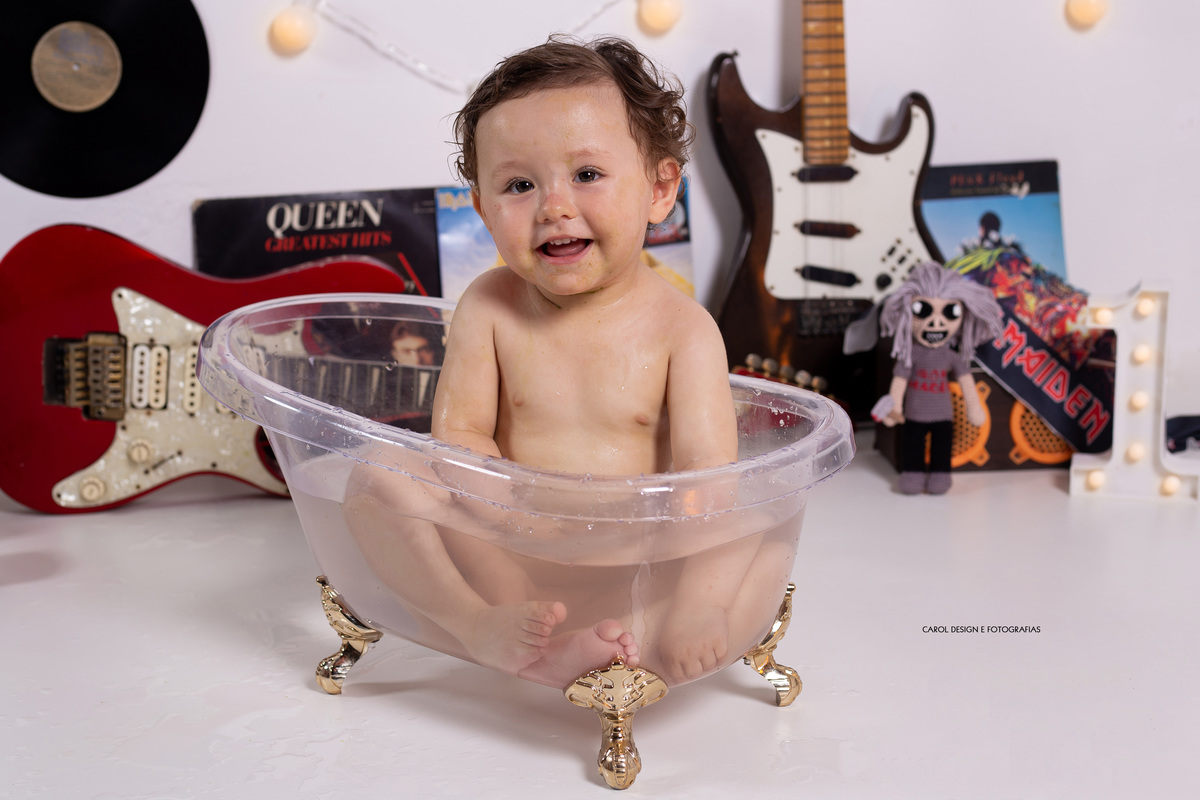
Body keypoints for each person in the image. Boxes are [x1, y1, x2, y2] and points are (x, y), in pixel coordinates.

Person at [344, 35, 766, 688]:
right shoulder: (489, 306)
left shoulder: (684, 329)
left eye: (587, 175)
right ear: (483, 211)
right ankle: (477, 620)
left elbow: (707, 473)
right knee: (377, 475)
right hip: (510, 544)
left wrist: (681, 537)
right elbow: (460, 434)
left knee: (753, 518)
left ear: (659, 190)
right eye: (519, 185)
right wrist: (507, 512)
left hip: (636, 552)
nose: (554, 207)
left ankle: (675, 615)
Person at [877, 261, 1003, 494]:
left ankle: (940, 474)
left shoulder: (951, 357)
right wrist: (893, 407)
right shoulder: (911, 354)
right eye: (923, 311)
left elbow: (966, 381)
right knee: (912, 445)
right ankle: (912, 473)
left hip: (943, 415)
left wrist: (974, 407)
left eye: (949, 312)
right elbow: (899, 381)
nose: (936, 322)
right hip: (914, 414)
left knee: (942, 447)